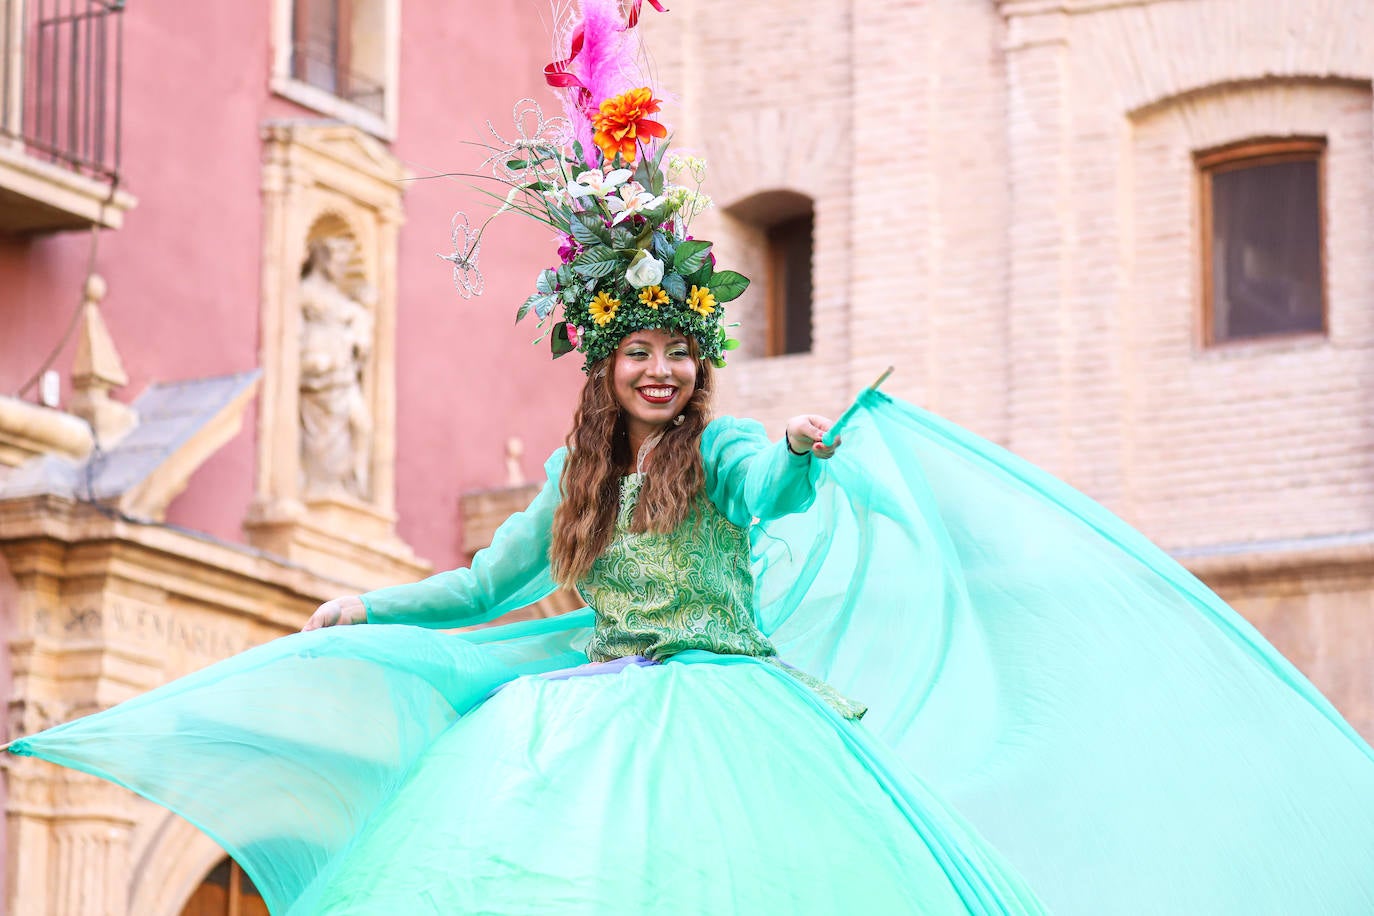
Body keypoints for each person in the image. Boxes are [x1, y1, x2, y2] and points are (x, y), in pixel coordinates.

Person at [11, 2, 1374, 912]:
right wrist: (366, 601)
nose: (661, 367)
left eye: (679, 351)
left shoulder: (715, 452)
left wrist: (798, 451)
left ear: (696, 364)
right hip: (589, 715)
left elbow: (771, 490)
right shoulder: (575, 486)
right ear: (604, 363)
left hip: (726, 717)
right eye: (639, 351)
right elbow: (482, 589)